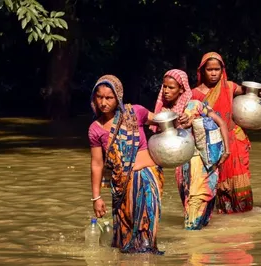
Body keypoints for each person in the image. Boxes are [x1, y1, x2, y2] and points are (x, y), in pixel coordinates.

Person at [88, 74, 164, 254]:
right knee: (125, 239)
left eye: (109, 98)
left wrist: (179, 121)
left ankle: (147, 258)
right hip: (121, 186)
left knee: (146, 230)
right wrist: (96, 197)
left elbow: (160, 120)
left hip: (147, 177)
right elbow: (97, 164)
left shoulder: (135, 112)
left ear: (118, 98)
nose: (103, 102)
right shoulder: (95, 129)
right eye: (99, 97)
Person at [152, 69, 231, 229]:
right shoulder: (163, 114)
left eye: (171, 87)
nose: (166, 91)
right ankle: (202, 250)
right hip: (182, 167)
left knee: (193, 213)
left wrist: (226, 150)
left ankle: (192, 247)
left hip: (203, 163)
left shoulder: (195, 105)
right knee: (192, 208)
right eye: (165, 87)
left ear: (182, 89)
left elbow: (221, 122)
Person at [191, 52, 253, 214]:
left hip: (235, 141)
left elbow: (248, 91)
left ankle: (242, 216)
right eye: (209, 70)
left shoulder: (230, 87)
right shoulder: (194, 94)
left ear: (222, 70)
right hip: (212, 145)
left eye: (217, 69)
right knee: (217, 182)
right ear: (202, 71)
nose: (213, 73)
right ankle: (222, 213)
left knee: (240, 183)